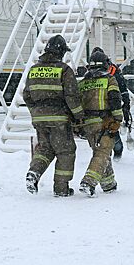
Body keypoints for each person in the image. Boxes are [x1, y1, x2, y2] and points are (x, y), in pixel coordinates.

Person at [23, 35, 84, 197]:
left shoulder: (34, 69)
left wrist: (36, 112)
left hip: (39, 118)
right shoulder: (64, 70)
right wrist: (79, 117)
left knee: (45, 148)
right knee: (66, 151)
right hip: (59, 119)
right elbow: (72, 97)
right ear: (61, 52)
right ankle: (61, 188)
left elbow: (27, 95)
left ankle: (34, 172)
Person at [77, 50, 123, 197]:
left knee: (101, 152)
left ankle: (109, 184)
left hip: (87, 124)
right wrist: (118, 119)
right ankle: (88, 182)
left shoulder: (82, 83)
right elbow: (115, 100)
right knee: (103, 153)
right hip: (105, 122)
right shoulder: (110, 79)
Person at [91, 47, 130, 161]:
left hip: (104, 108)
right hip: (106, 107)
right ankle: (111, 152)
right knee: (110, 130)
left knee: (110, 130)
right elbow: (122, 88)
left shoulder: (108, 72)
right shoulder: (113, 71)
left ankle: (113, 152)